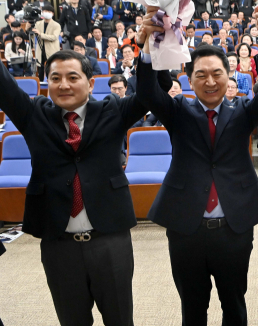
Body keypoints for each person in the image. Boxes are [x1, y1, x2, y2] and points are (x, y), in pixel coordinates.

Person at [136, 5, 258, 325]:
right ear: (190, 79)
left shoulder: (244, 111)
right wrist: (148, 43)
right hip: (186, 228)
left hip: (233, 228)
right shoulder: (177, 112)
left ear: (228, 77)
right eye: (201, 74)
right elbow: (148, 91)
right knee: (193, 308)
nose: (210, 81)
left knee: (234, 304)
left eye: (217, 73)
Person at [0, 46, 171, 326]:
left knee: (119, 319)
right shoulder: (34, 114)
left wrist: (150, 49)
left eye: (72, 77)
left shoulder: (112, 110)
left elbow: (157, 88)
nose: (63, 85)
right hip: (59, 245)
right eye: (55, 78)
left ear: (90, 83)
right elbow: (3, 86)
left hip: (110, 241)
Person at [32, 4, 61, 80]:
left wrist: (40, 34)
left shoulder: (56, 25)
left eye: (48, 11)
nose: (46, 13)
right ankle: (41, 85)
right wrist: (29, 28)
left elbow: (54, 37)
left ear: (52, 14)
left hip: (51, 50)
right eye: (45, 11)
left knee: (52, 68)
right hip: (40, 50)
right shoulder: (38, 23)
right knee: (41, 70)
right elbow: (33, 36)